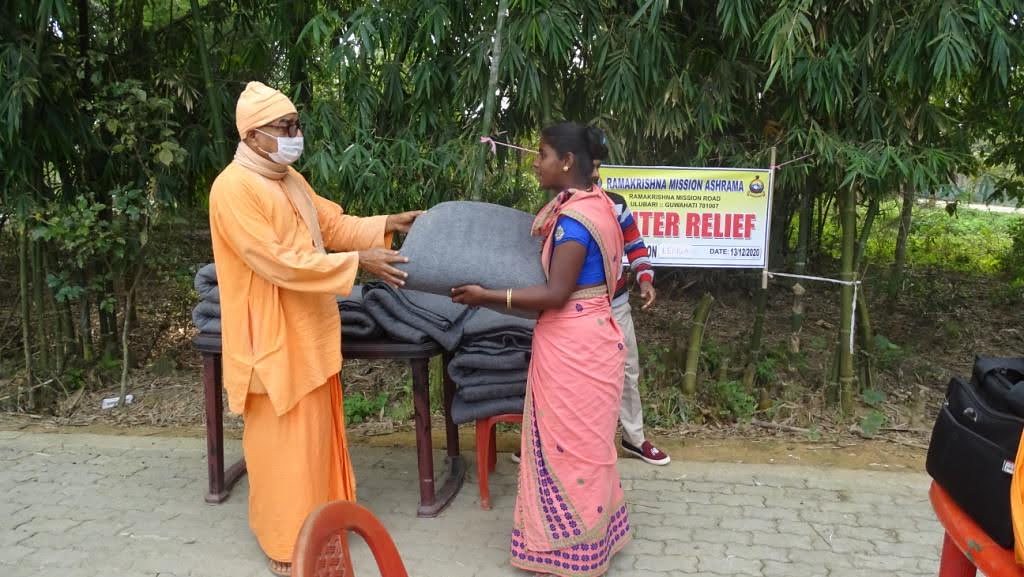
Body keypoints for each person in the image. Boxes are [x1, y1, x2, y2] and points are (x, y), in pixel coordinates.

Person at [208, 81, 421, 576]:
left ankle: (325, 522)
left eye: (296, 125)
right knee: (283, 447)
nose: (295, 134)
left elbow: (332, 224)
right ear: (254, 134)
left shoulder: (288, 179)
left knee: (315, 441)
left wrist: (390, 221)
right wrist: (358, 263)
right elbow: (277, 261)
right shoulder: (233, 188)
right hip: (272, 335)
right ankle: (288, 545)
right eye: (285, 127)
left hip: (309, 327)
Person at [453, 122, 631, 577]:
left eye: (543, 154)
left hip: (573, 341)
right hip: (595, 335)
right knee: (585, 444)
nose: (536, 162)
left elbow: (555, 294)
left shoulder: (575, 220)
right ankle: (591, 542)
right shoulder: (599, 205)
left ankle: (565, 550)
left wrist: (488, 296)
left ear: (567, 162)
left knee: (568, 446)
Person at [592, 155, 671, 467]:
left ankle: (633, 438)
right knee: (566, 376)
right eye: (592, 164)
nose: (597, 173)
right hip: (572, 311)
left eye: (600, 165)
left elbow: (635, 246)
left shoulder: (616, 204)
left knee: (626, 370)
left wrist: (646, 279)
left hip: (616, 305)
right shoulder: (561, 205)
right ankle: (545, 444)